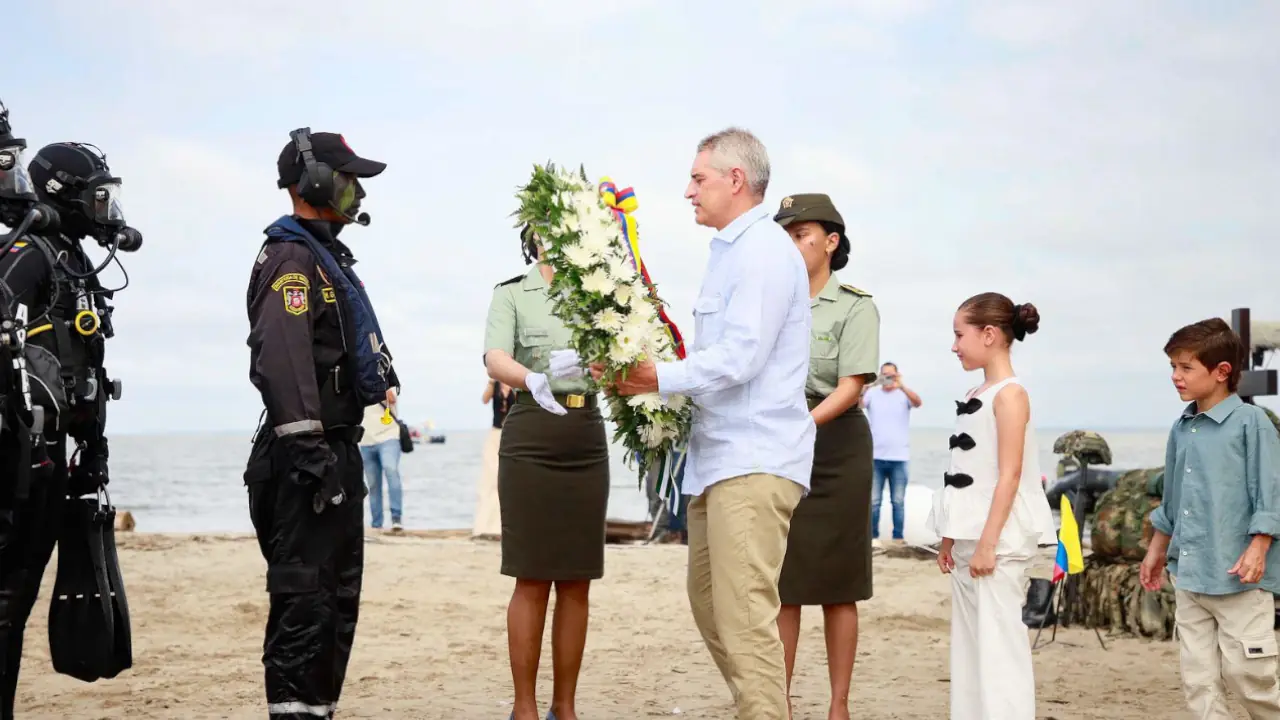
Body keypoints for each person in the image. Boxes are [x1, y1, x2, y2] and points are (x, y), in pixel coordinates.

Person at [599, 127, 814, 720]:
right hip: (716, 461)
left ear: (735, 179)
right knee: (710, 603)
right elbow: (713, 357)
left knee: (744, 617)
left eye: (698, 178)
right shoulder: (730, 252)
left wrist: (656, 377)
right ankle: (761, 707)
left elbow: (742, 357)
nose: (689, 191)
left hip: (754, 458)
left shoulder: (763, 251)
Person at [241, 127, 398, 720]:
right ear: (314, 182)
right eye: (349, 179)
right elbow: (281, 362)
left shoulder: (325, 257)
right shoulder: (291, 259)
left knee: (334, 602)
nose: (357, 190)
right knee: (304, 603)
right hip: (305, 459)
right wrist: (311, 455)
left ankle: (318, 711)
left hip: (335, 448)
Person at [0, 132, 142, 717]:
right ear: (64, 193)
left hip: (56, 457)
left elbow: (86, 365)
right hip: (19, 460)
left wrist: (93, 453)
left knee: (19, 601)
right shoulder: (29, 251)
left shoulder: (74, 260)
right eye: (98, 197)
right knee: (6, 599)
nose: (107, 210)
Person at [482, 224, 610, 720]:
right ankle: (524, 709)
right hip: (531, 435)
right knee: (531, 576)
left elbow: (624, 357)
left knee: (577, 580)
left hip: (585, 437)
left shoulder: (601, 292)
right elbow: (495, 358)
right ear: (532, 236)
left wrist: (606, 368)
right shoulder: (512, 293)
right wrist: (531, 377)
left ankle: (566, 707)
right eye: (544, 228)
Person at [771, 193, 879, 720]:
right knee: (784, 585)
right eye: (785, 237)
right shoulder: (771, 301)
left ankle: (839, 706)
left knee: (840, 587)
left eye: (801, 235)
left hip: (837, 449)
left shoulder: (856, 306)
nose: (791, 245)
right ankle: (779, 703)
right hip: (782, 445)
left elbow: (852, 386)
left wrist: (801, 427)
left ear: (831, 242)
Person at [1140, 318, 1280, 719]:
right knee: (1198, 680)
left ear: (1221, 372)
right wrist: (1156, 551)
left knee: (1248, 675)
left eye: (1186, 367)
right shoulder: (1182, 428)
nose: (1175, 376)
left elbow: (1271, 492)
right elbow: (1173, 500)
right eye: (1173, 366)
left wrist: (1259, 545)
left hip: (1239, 577)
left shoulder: (1252, 423)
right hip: (1189, 574)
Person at [927, 292, 1056, 720]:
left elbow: (1010, 475)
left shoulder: (1010, 395)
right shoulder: (976, 392)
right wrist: (949, 537)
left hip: (998, 541)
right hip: (968, 538)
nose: (954, 346)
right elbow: (964, 470)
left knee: (1001, 650)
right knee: (969, 649)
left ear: (988, 334)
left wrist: (987, 544)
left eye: (959, 335)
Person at [861, 361, 922, 545]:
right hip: (876, 457)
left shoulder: (903, 394)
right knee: (874, 501)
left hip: (899, 457)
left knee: (898, 501)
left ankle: (898, 538)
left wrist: (901, 385)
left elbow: (918, 402)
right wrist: (868, 385)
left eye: (891, 375)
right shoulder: (872, 393)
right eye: (884, 375)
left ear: (897, 375)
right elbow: (857, 405)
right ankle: (873, 538)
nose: (887, 378)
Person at [358, 388, 404, 532]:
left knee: (391, 471)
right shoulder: (357, 383)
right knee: (373, 484)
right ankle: (376, 523)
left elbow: (392, 399)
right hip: (366, 440)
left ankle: (396, 518)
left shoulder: (384, 379)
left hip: (388, 436)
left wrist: (377, 384)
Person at [474, 380, 513, 540]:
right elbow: (484, 399)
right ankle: (485, 525)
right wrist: (491, 383)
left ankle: (504, 525)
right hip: (496, 433)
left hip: (512, 434)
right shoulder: (494, 384)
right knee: (490, 479)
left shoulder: (516, 384)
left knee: (509, 479)